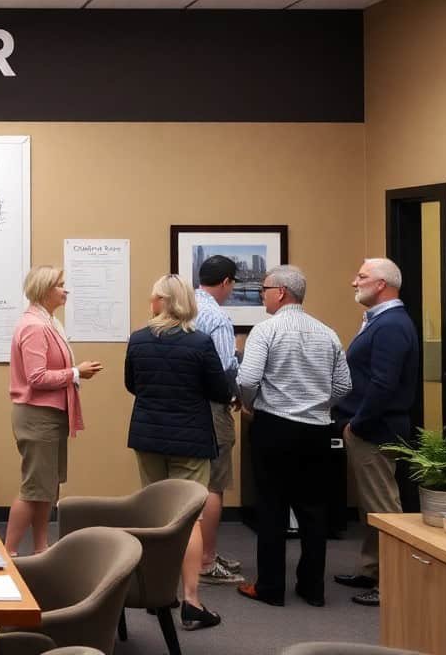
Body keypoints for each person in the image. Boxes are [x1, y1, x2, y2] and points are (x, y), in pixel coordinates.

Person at [236, 265, 351, 608]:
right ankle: (312, 588)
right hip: (317, 430)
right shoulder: (327, 332)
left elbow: (247, 380)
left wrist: (250, 406)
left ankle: (270, 588)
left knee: (272, 507)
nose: (261, 293)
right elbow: (345, 385)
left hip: (274, 427)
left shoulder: (265, 330)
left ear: (281, 292)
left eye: (264, 288)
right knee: (314, 511)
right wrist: (318, 406)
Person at [125, 273, 230, 631]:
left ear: (164, 302)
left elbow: (132, 385)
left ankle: (158, 593)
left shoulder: (138, 340)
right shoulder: (200, 343)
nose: (150, 302)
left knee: (155, 517)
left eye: (154, 297)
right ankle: (191, 600)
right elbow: (219, 389)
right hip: (190, 440)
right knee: (188, 519)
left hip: (148, 436)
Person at [332, 258, 420, 607]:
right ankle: (372, 570)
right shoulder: (381, 321)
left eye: (362, 277)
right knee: (373, 506)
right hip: (370, 426)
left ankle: (392, 585)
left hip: (376, 428)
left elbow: (384, 384)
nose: (355, 282)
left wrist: (359, 423)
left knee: (384, 507)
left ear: (382, 284)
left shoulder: (391, 325)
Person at [6, 265, 103, 557]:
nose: (65, 290)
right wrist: (76, 372)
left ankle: (40, 548)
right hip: (38, 416)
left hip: (49, 416)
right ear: (45, 290)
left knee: (47, 488)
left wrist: (74, 372)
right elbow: (37, 377)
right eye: (60, 285)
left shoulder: (46, 322)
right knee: (34, 487)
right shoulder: (35, 326)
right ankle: (8, 553)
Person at [192, 255, 246, 585]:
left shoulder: (184, 308)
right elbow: (227, 367)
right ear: (226, 282)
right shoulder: (218, 317)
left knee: (192, 483)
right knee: (214, 485)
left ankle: (197, 551)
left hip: (185, 409)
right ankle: (206, 560)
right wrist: (236, 393)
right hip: (213, 407)